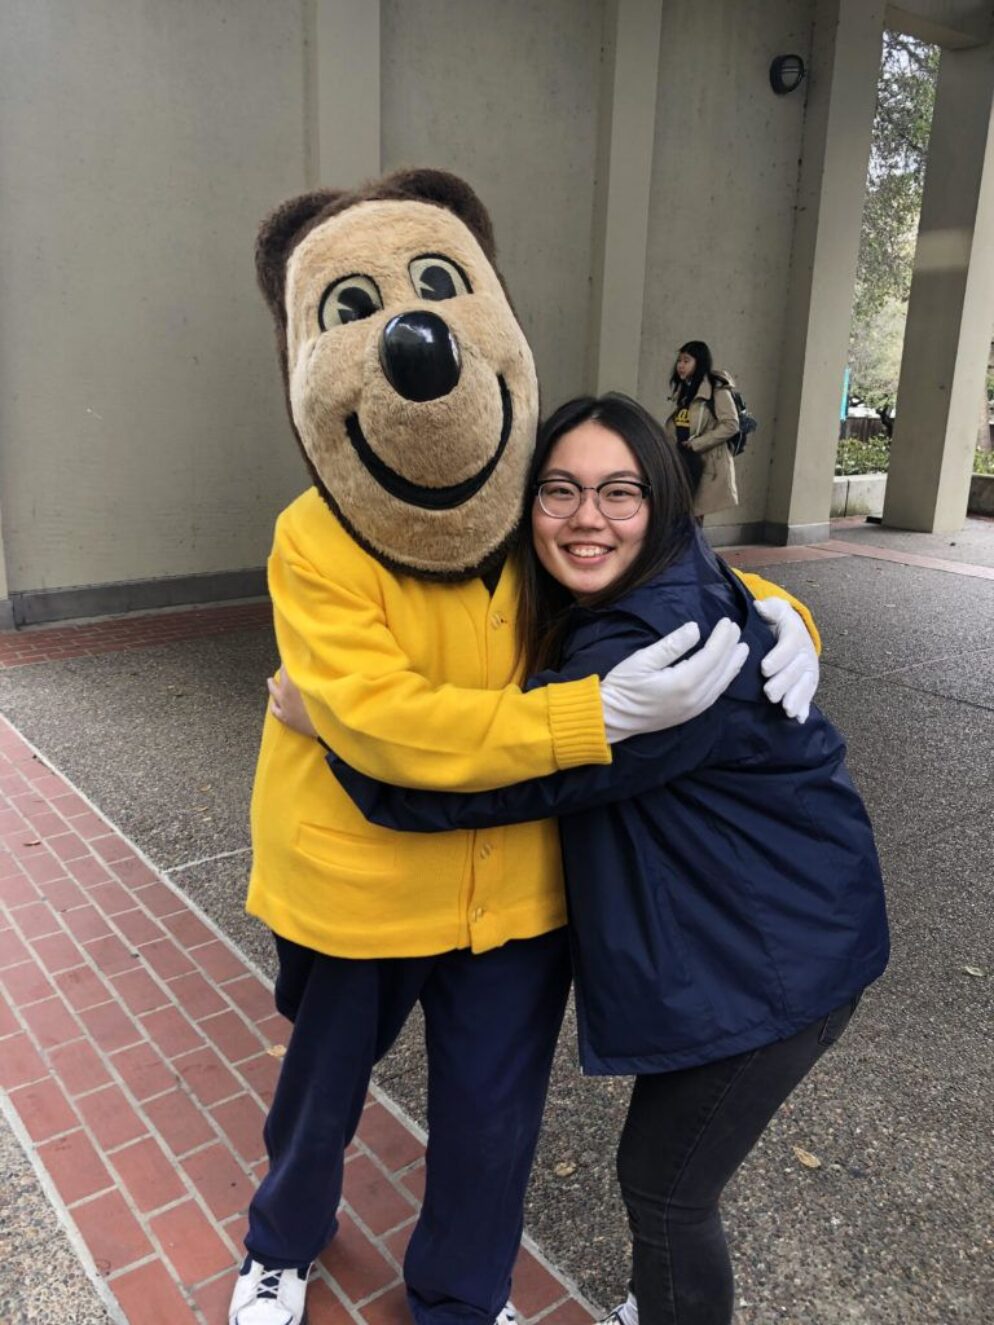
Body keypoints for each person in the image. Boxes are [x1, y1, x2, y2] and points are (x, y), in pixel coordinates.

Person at [235, 169, 824, 1325]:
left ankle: (460, 1293)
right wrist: (583, 719)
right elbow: (378, 717)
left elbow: (665, 568)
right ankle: (280, 1242)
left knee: (493, 1113)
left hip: (514, 882)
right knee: (320, 1091)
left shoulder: (533, 500)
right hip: (357, 873)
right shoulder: (311, 536)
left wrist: (787, 618)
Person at [276, 393, 889, 1325]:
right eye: (559, 490)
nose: (585, 516)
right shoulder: (627, 589)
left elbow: (502, 786)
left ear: (663, 505)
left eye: (619, 492)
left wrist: (333, 732)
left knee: (668, 1188)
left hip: (773, 963)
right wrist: (783, 606)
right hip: (768, 937)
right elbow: (710, 580)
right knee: (654, 1177)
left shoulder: (653, 657)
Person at [664, 340, 739, 517]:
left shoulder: (716, 388)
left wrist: (697, 443)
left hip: (701, 458)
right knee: (680, 509)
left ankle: (692, 544)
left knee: (691, 511)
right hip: (680, 455)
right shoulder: (684, 388)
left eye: (686, 361)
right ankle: (687, 544)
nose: (680, 366)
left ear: (699, 363)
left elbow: (731, 424)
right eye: (679, 361)